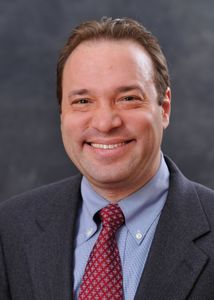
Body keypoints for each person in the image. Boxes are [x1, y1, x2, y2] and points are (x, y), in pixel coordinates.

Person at [0, 17, 214, 300]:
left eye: (127, 98)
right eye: (83, 101)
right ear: (62, 114)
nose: (104, 123)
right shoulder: (10, 228)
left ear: (164, 108)